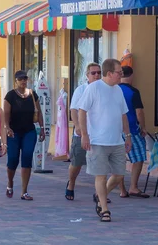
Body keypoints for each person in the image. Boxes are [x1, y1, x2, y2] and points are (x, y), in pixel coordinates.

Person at [78, 58, 131, 223]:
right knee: (100, 176)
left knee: (119, 175)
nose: (121, 75)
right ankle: (104, 208)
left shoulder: (118, 90)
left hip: (117, 141)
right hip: (98, 141)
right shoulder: (94, 88)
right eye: (119, 72)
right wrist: (85, 135)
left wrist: (127, 136)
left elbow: (124, 114)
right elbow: (81, 111)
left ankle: (100, 196)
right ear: (110, 73)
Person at [3, 70, 45, 201]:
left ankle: (24, 191)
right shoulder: (10, 96)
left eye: (25, 78)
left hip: (29, 131)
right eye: (20, 79)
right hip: (14, 132)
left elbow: (39, 113)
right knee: (13, 159)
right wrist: (7, 127)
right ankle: (10, 183)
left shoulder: (33, 94)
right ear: (15, 81)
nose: (23, 81)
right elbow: (6, 115)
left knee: (27, 156)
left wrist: (42, 128)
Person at [66, 63, 101, 201]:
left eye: (99, 72)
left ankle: (100, 193)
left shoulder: (105, 89)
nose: (97, 75)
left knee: (100, 165)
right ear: (87, 75)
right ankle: (71, 183)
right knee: (77, 163)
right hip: (82, 133)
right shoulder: (81, 90)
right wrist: (78, 127)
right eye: (93, 73)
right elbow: (74, 109)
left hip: (99, 133)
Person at [118, 66, 150, 198]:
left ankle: (122, 189)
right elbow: (139, 112)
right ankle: (133, 186)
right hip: (131, 129)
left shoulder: (115, 90)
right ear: (131, 75)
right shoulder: (133, 92)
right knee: (138, 157)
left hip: (115, 129)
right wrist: (143, 127)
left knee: (118, 160)